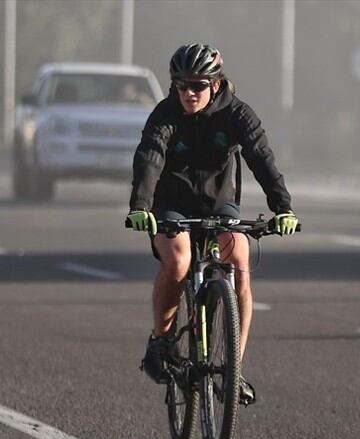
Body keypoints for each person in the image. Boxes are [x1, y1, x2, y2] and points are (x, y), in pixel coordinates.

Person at [125, 43, 298, 405]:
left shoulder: (237, 113)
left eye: (197, 85)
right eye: (181, 85)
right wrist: (140, 205)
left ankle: (234, 370)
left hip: (220, 204)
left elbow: (261, 158)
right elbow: (149, 158)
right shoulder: (165, 114)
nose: (188, 93)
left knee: (239, 258)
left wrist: (283, 207)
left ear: (216, 84)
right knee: (179, 261)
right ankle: (161, 340)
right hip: (171, 204)